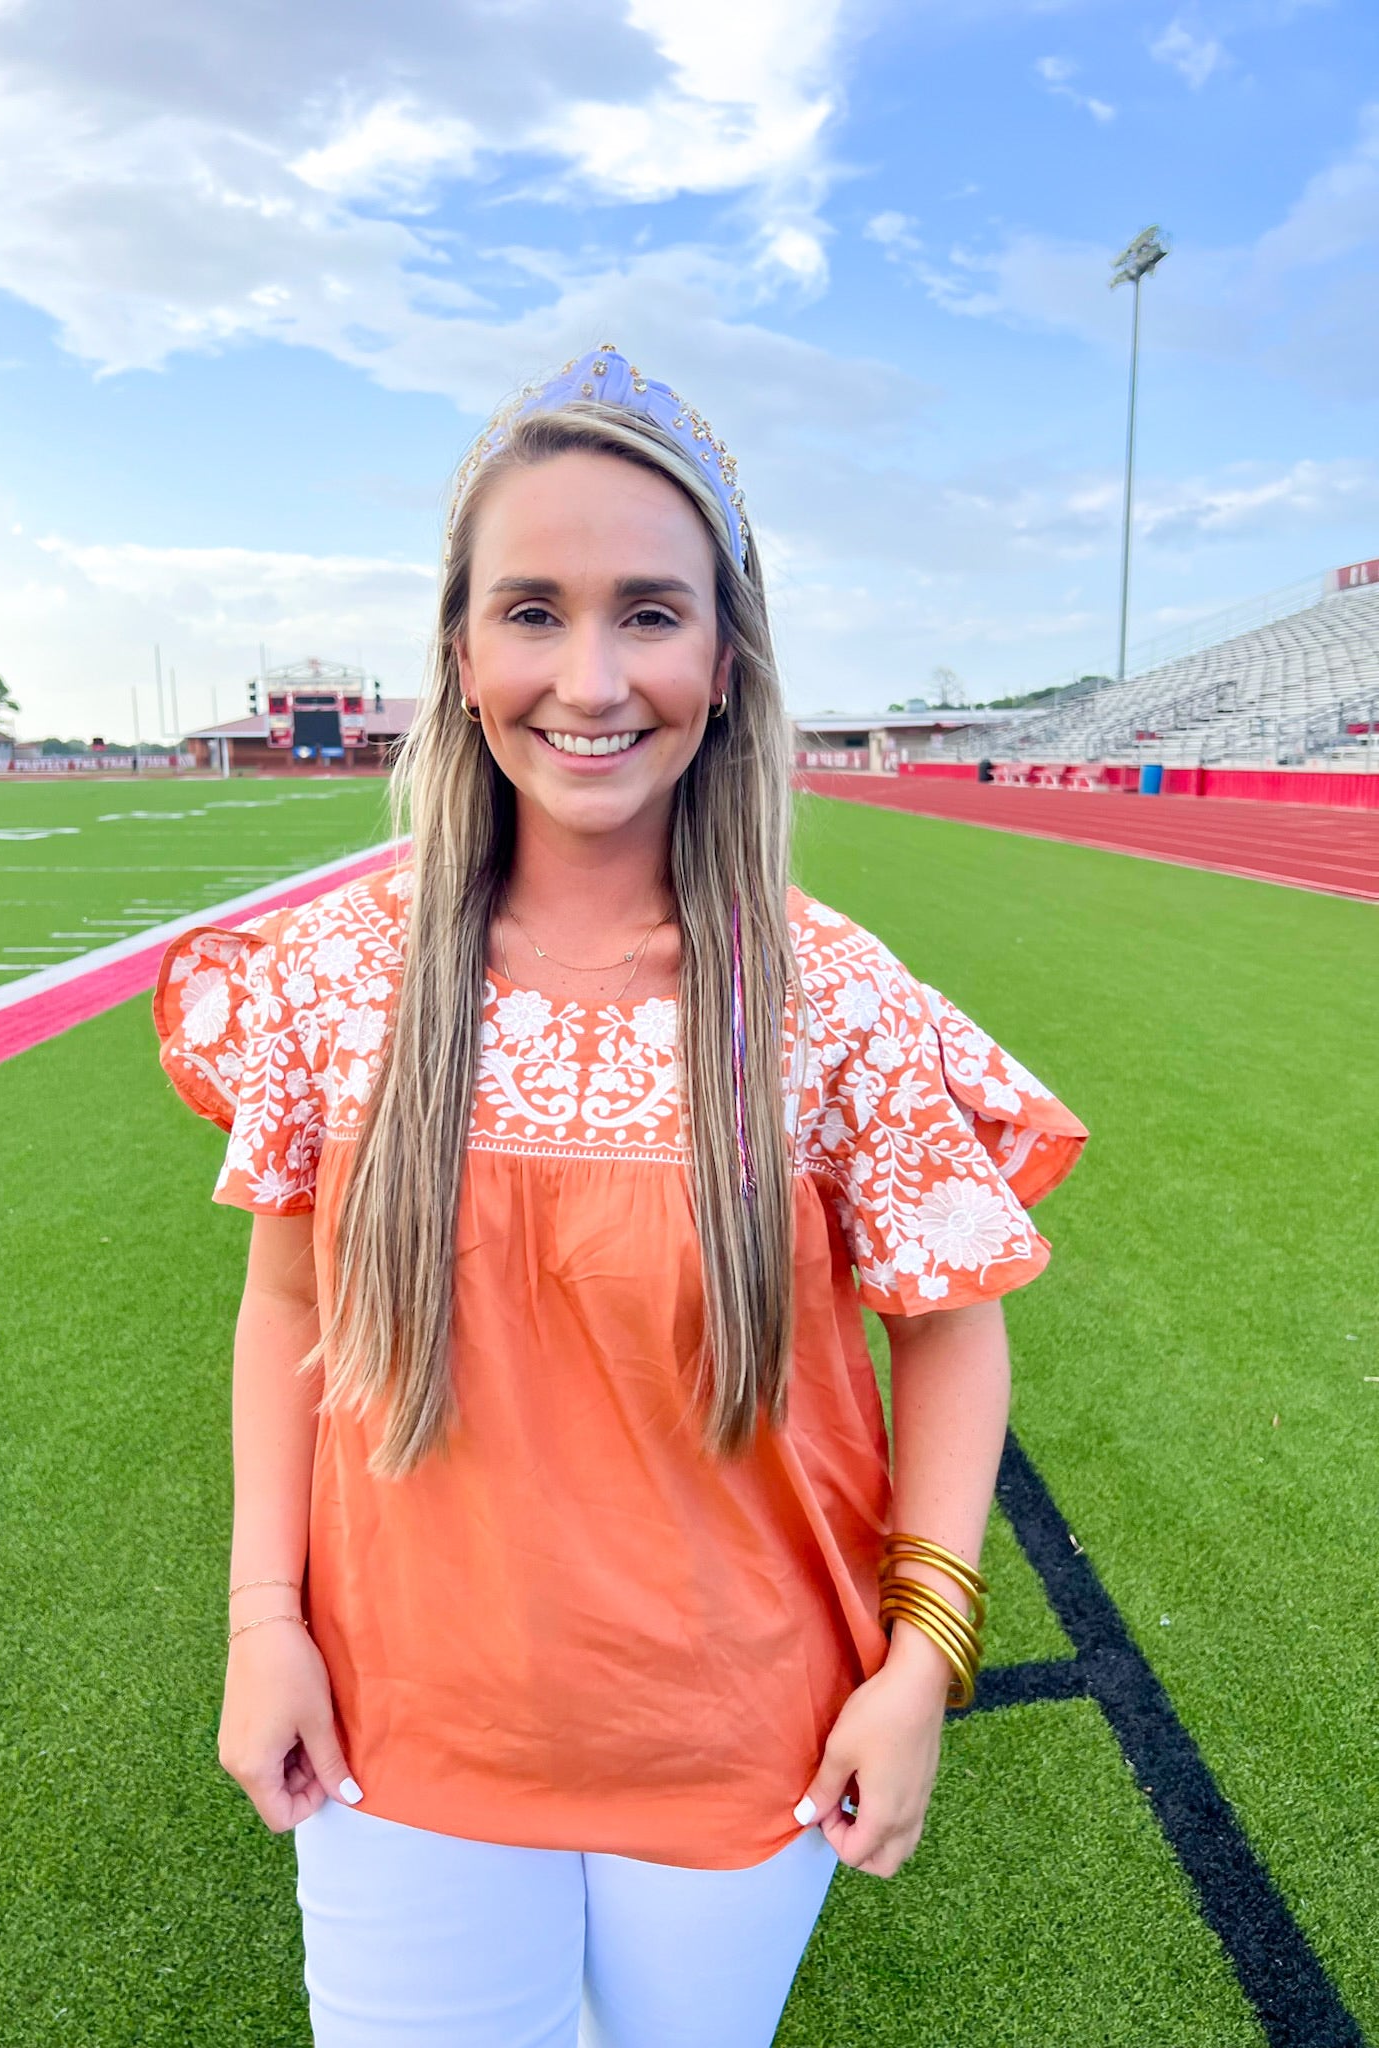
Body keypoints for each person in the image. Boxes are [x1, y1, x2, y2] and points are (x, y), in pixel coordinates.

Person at [153, 345, 1088, 2048]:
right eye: (533, 610)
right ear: (461, 653)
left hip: (746, 1745)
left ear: (727, 660)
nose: (590, 679)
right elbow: (286, 1305)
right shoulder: (331, 977)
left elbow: (953, 1330)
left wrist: (920, 1660)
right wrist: (259, 1622)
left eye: (650, 613)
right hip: (397, 1734)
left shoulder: (832, 996)